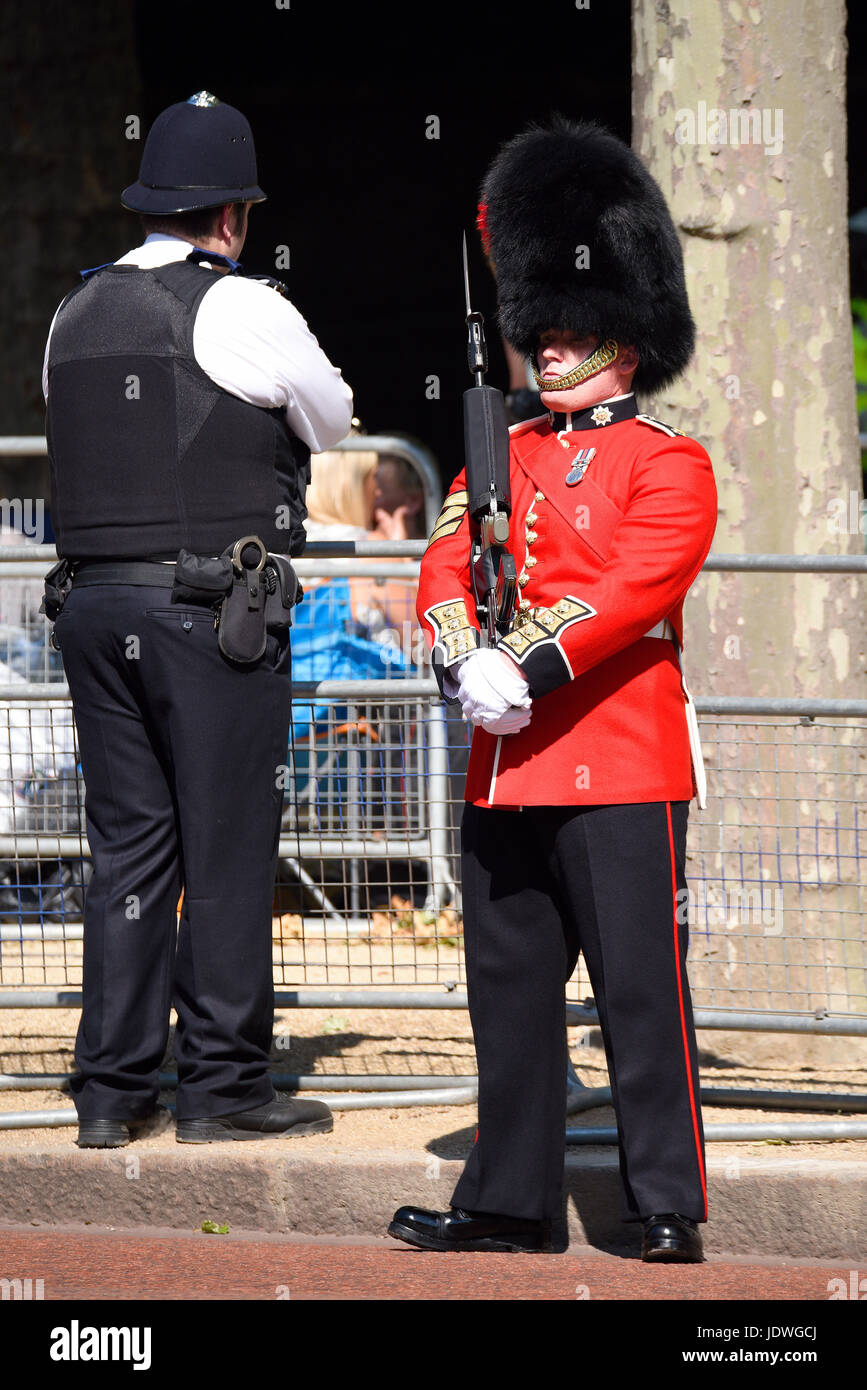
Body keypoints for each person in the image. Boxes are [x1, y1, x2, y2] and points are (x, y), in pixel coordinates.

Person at [389, 119, 717, 1260]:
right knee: (509, 999)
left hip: (620, 762)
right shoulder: (503, 449)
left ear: (629, 336)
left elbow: (632, 591)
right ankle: (508, 1201)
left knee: (641, 998)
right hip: (507, 763)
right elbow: (444, 557)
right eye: (545, 326)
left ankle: (665, 1200)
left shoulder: (668, 463)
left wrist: (517, 658)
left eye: (580, 326)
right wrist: (453, 645)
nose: (557, 344)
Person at [42, 91, 353, 1146]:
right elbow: (336, 415)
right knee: (225, 847)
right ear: (232, 214)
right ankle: (221, 1090)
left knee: (126, 851)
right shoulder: (241, 305)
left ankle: (111, 1091)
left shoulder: (71, 312)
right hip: (210, 611)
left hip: (90, 608)